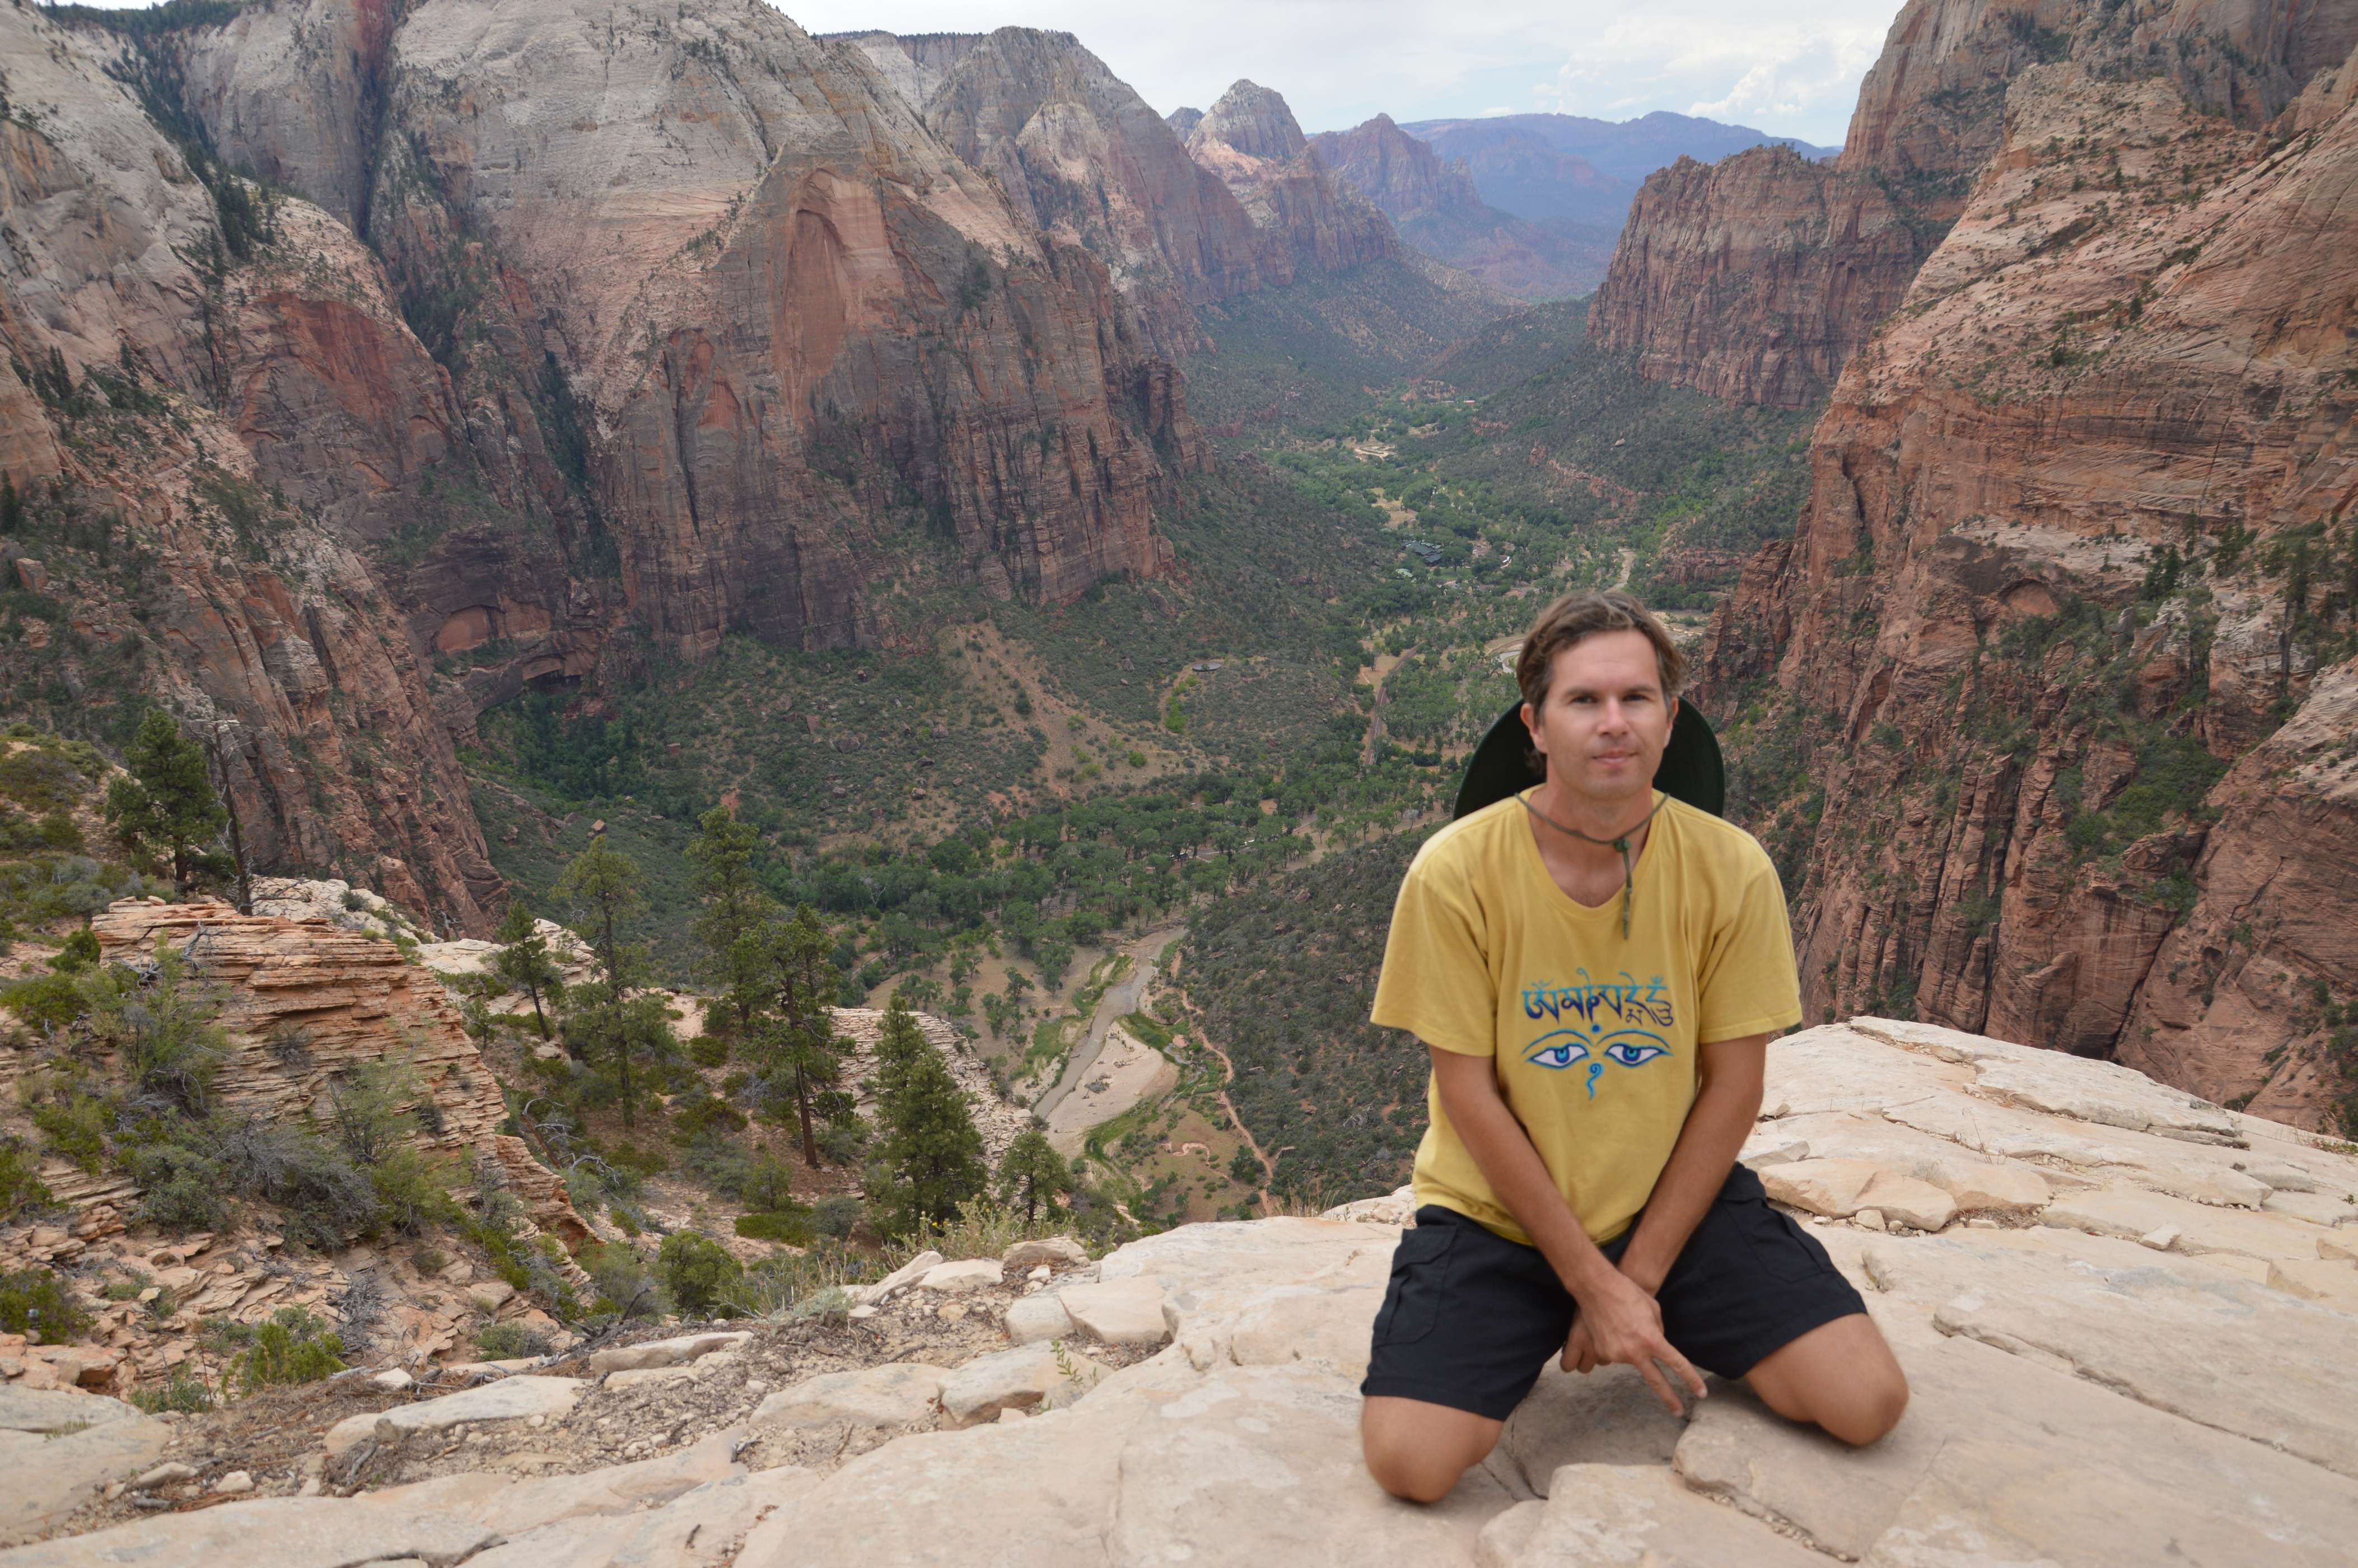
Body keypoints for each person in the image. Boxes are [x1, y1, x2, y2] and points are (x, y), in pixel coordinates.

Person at [1359, 590, 1908, 1504]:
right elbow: (1469, 1094)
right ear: (1534, 725)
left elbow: (1734, 1085)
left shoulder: (1730, 866)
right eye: (1583, 701)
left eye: (1636, 699)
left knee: (1867, 1403)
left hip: (1673, 1215)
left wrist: (1633, 1280)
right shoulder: (1456, 870)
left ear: (1670, 716)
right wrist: (1589, 1281)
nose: (1613, 724)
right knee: (1410, 1463)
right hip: (1497, 1220)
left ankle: (1662, 1310)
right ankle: (1545, 1318)